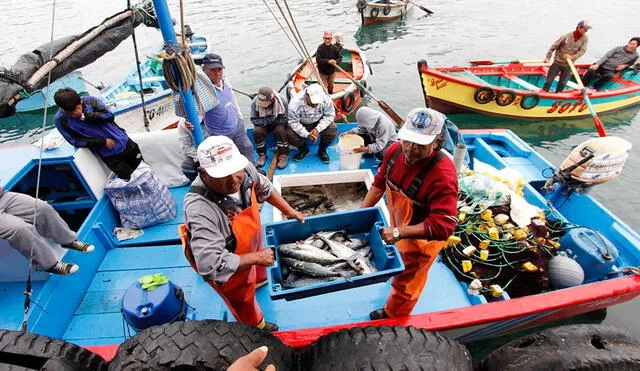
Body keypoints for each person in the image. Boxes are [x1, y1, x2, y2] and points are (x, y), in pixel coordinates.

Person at [183, 136, 304, 331]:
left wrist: (288, 210)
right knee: (242, 299)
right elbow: (211, 266)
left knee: (259, 270)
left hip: (252, 242)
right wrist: (256, 257)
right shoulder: (199, 209)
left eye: (234, 171)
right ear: (203, 173)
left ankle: (258, 281)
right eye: (223, 175)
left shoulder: (244, 168)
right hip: (226, 259)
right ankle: (256, 327)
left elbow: (265, 187)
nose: (233, 181)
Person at [361, 108, 458, 320]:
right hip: (398, 227)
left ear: (436, 143)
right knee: (396, 265)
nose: (411, 149)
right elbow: (378, 184)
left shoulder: (443, 174)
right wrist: (361, 214)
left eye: (420, 144)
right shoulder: (394, 151)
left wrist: (399, 232)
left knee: (407, 281)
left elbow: (445, 226)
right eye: (408, 140)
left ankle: (392, 316)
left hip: (421, 242)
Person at [0, 186, 94, 275]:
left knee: (42, 207)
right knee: (19, 228)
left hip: (2, 196)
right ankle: (49, 265)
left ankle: (68, 241)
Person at [53, 88, 143, 181]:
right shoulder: (60, 120)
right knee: (130, 179)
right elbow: (75, 141)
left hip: (125, 143)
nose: (74, 113)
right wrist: (102, 142)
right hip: (110, 155)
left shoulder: (91, 101)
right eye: (70, 112)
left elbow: (109, 116)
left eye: (76, 108)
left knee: (143, 170)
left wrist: (85, 116)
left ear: (80, 101)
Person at [201, 53, 255, 164]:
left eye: (220, 69)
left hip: (236, 124)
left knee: (247, 147)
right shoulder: (202, 90)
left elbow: (233, 100)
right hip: (219, 133)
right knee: (228, 158)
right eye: (212, 70)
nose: (217, 73)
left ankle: (252, 171)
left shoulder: (225, 80)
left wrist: (240, 118)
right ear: (204, 70)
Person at [287, 84, 337, 163]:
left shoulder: (326, 99)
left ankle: (322, 150)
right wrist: (306, 134)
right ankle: (304, 150)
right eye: (313, 102)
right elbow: (293, 122)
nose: (315, 105)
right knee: (289, 133)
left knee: (332, 129)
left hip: (318, 121)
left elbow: (330, 115)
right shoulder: (294, 103)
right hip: (301, 122)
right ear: (306, 96)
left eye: (317, 103)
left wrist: (318, 129)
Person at [542, 20, 591, 93]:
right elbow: (554, 46)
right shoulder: (566, 36)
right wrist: (548, 57)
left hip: (569, 64)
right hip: (557, 62)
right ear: (579, 27)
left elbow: (582, 51)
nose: (586, 31)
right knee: (549, 80)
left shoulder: (585, 39)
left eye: (587, 29)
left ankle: (558, 95)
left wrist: (572, 57)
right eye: (585, 29)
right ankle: (544, 93)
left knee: (562, 83)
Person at [250, 86, 289, 169]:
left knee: (280, 130)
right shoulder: (255, 102)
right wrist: (268, 120)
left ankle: (283, 155)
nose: (263, 106)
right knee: (257, 131)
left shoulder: (282, 101)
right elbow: (253, 120)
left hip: (278, 123)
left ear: (272, 100)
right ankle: (262, 154)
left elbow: (285, 119)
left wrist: (275, 121)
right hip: (263, 123)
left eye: (265, 103)